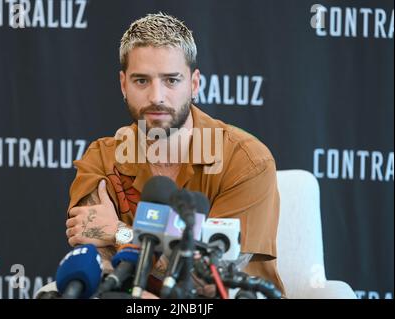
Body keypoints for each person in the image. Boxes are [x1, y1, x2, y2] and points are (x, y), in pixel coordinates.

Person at [65, 12, 285, 298]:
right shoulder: (102, 157)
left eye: (171, 80)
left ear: (193, 84)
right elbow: (98, 260)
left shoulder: (246, 160)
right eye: (141, 81)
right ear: (123, 85)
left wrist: (119, 232)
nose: (157, 96)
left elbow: (207, 279)